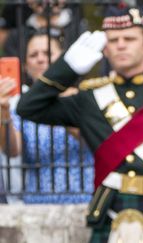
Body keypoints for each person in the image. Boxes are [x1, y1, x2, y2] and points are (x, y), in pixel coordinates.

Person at [16, 6, 143, 243]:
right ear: (105, 49)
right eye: (113, 40)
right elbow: (28, 107)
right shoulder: (90, 98)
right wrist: (68, 68)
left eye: (129, 39)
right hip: (109, 207)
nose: (121, 45)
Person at [0, 30, 94, 204]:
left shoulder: (83, 97)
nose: (41, 59)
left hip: (84, 199)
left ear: (64, 59)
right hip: (38, 202)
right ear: (26, 66)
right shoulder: (21, 105)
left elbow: (90, 140)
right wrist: (3, 110)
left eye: (48, 53)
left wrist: (58, 98)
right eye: (33, 55)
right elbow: (12, 150)